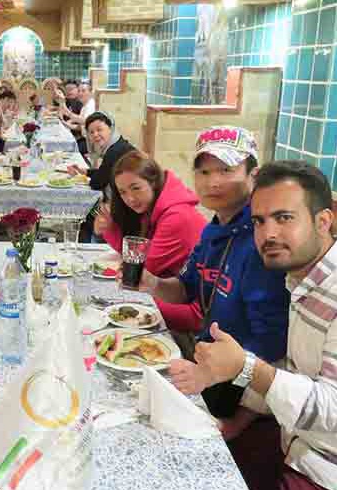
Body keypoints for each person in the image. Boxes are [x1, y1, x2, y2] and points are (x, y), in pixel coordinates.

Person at [192, 160, 337, 490]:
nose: (268, 234)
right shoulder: (304, 280)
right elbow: (298, 375)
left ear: (323, 221)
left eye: (284, 218)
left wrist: (245, 367)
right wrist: (225, 392)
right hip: (303, 444)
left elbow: (335, 410)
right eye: (259, 221)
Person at [135, 126, 289, 423]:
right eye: (204, 172)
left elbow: (273, 345)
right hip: (206, 361)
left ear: (253, 175)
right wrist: (151, 283)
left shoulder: (261, 242)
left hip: (239, 387)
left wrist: (236, 421)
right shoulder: (214, 229)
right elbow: (186, 289)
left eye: (226, 170)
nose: (213, 182)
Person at [94, 151, 207, 332]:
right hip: (172, 293)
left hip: (194, 312)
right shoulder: (154, 208)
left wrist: (111, 231)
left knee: (106, 311)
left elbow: (142, 270)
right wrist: (109, 229)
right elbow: (136, 263)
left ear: (153, 182)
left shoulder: (177, 217)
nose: (130, 198)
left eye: (136, 188)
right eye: (123, 192)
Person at [68, 111, 136, 195]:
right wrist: (86, 172)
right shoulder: (118, 143)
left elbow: (97, 183)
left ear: (111, 128)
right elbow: (104, 172)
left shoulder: (114, 152)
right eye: (91, 132)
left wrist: (78, 177)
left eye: (99, 130)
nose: (95, 135)